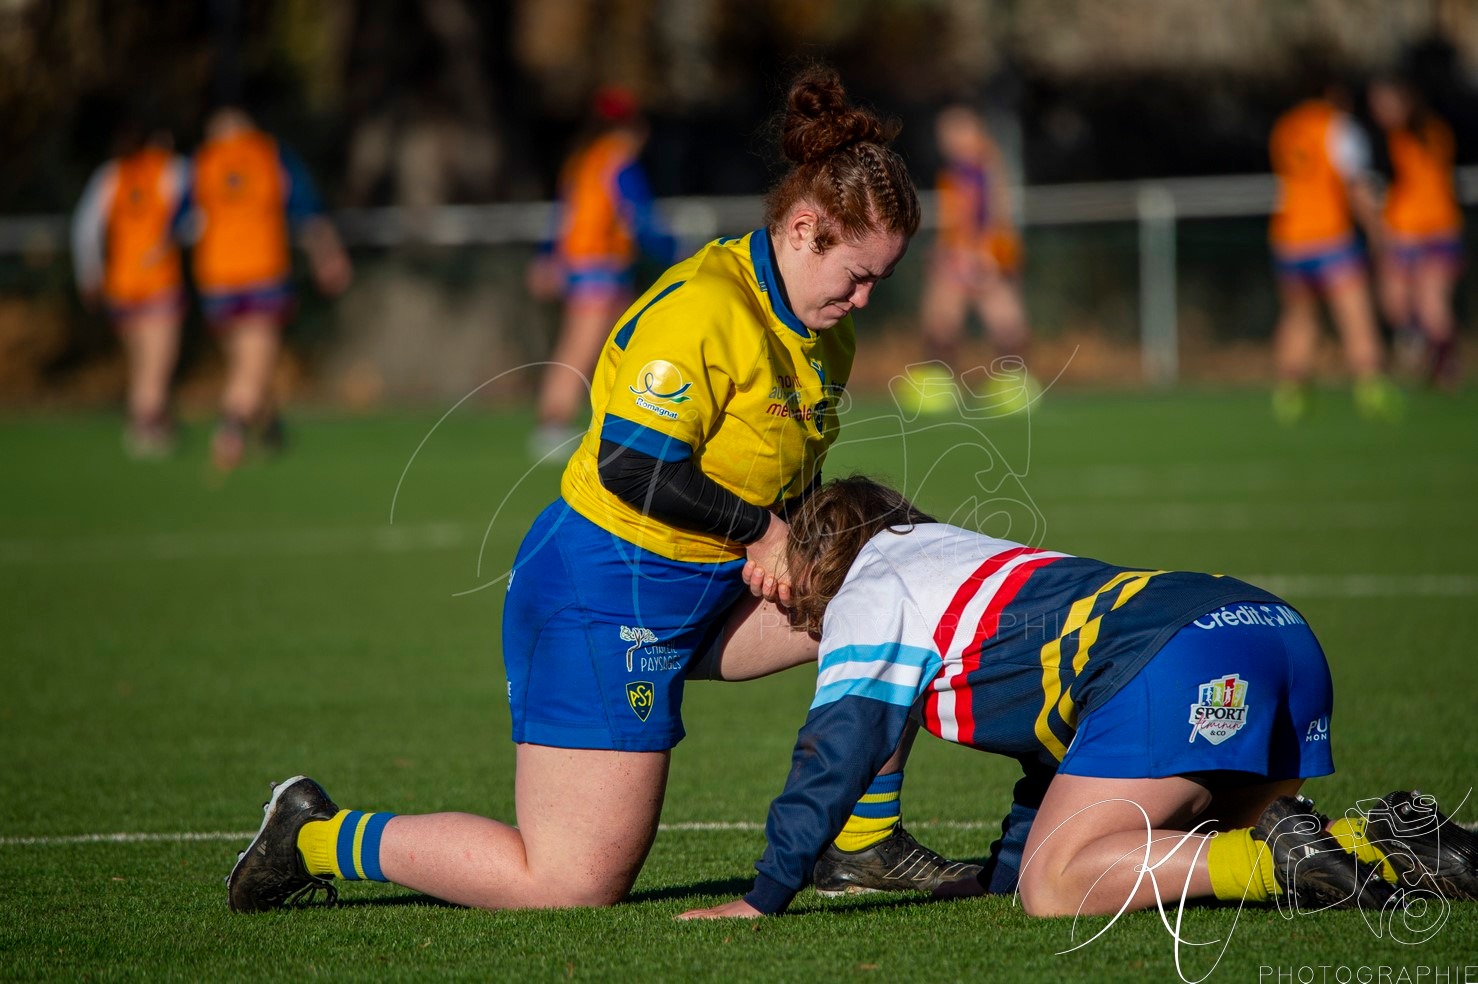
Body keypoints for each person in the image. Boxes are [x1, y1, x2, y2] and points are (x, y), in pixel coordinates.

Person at [227, 67, 974, 914]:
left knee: (905, 583)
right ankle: (312, 836)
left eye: (881, 279)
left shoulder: (818, 330)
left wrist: (808, 537)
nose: (866, 298)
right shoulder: (704, 309)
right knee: (573, 884)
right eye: (857, 274)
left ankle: (863, 842)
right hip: (606, 586)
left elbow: (783, 480)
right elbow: (633, 465)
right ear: (804, 228)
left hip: (716, 584)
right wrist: (765, 534)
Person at [679, 476, 1478, 919]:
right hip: (1271, 632)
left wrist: (764, 896)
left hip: (1178, 657)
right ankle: (1391, 840)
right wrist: (992, 873)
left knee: (1056, 888)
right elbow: (1058, 755)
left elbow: (839, 745)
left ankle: (1276, 860)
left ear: (824, 556)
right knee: (1196, 838)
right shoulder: (971, 558)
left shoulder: (869, 583)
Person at [189, 104, 353, 471]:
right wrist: (329, 255)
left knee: (245, 363)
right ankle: (230, 432)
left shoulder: (203, 161)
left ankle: (271, 430)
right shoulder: (268, 154)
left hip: (216, 279)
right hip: (262, 274)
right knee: (251, 365)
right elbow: (308, 210)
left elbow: (180, 216)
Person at [526, 85, 679, 460]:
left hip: (590, 266)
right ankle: (552, 425)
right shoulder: (618, 163)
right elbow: (640, 216)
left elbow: (562, 216)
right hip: (599, 268)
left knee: (611, 349)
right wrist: (675, 252)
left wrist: (546, 256)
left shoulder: (583, 160)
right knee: (584, 348)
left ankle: (604, 425)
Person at [1268, 76, 1400, 423]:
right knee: (1356, 317)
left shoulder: (1287, 126)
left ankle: (1290, 395)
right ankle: (1371, 390)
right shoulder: (1338, 126)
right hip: (1330, 236)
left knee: (1300, 319)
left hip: (1289, 237)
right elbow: (1354, 184)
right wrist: (1377, 230)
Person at [908, 104, 1037, 417]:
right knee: (949, 322)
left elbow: (989, 212)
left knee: (995, 323)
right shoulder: (963, 167)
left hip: (978, 256)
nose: (947, 138)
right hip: (967, 254)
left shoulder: (980, 166)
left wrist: (978, 254)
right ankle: (949, 384)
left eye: (955, 129)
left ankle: (1007, 385)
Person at [72, 117, 188, 458]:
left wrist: (89, 274)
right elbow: (197, 213)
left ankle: (149, 423)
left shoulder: (110, 175)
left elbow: (84, 229)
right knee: (157, 363)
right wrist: (172, 240)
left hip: (121, 285)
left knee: (141, 362)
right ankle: (147, 429)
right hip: (158, 281)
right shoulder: (172, 171)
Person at [1368, 75, 1463, 388]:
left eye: (1385, 103)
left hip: (1413, 232)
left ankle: (1438, 361)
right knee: (1411, 303)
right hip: (1441, 229)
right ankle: (1435, 358)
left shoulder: (1397, 141)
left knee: (1423, 302)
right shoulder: (1438, 132)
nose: (1379, 110)